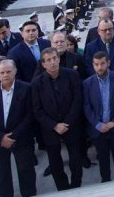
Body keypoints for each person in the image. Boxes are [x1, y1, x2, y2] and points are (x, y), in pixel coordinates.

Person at [0, 59, 37, 197]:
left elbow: (30, 115)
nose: (5, 75)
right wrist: (0, 137)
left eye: (8, 72)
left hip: (21, 138)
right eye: (2, 72)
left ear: (15, 71)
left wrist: (14, 135)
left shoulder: (26, 88)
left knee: (26, 172)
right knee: (1, 175)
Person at [30, 47, 83, 189]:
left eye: (54, 58)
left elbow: (78, 100)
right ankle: (62, 187)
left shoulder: (72, 75)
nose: (52, 62)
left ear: (59, 59)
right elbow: (37, 109)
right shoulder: (36, 83)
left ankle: (76, 185)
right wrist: (54, 125)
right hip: (50, 129)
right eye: (48, 60)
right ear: (43, 64)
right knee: (55, 162)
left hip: (71, 125)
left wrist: (66, 122)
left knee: (76, 159)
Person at [83, 51, 114, 182]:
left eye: (102, 63)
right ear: (93, 65)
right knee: (102, 157)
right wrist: (97, 124)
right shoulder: (87, 83)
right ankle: (106, 179)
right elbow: (86, 106)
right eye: (96, 64)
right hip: (98, 129)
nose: (100, 67)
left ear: (108, 63)